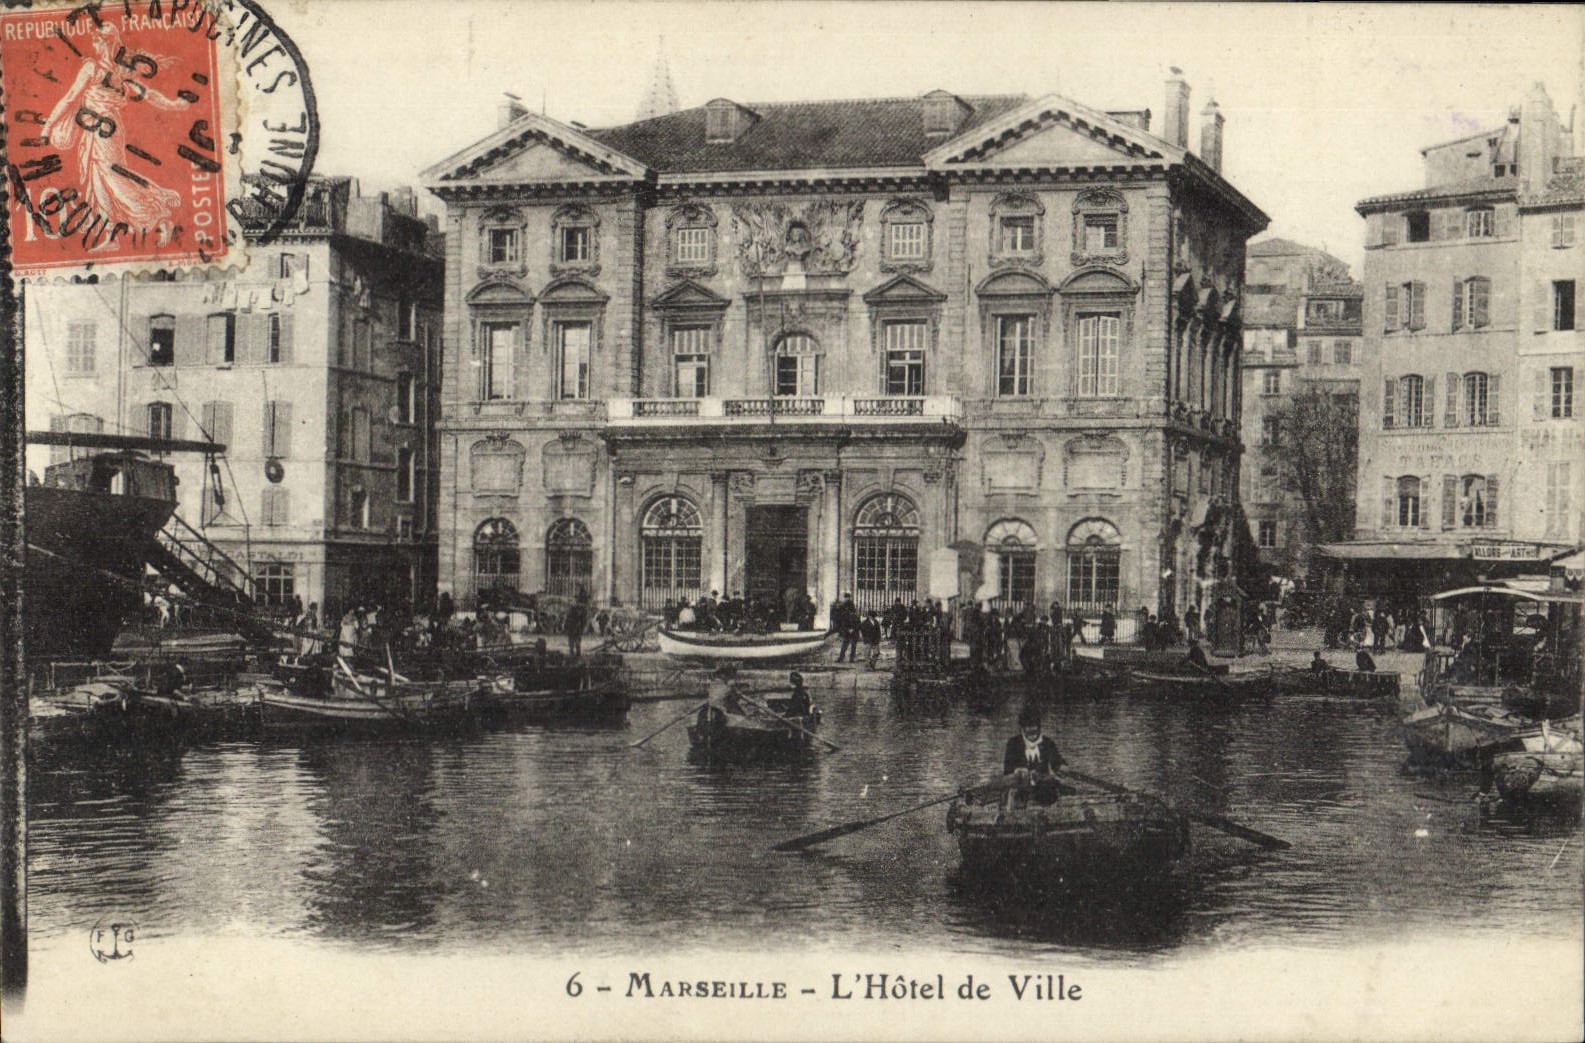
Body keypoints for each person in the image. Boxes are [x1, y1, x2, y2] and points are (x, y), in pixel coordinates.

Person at [1002, 704, 1064, 807]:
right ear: (1022, 728)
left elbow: (1057, 762)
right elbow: (1007, 771)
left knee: (1050, 788)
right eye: (1027, 727)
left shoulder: (1048, 743)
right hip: (1019, 788)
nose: (1031, 730)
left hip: (1043, 788)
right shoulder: (1013, 744)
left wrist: (1062, 767)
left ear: (1039, 727)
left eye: (1034, 726)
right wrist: (1018, 772)